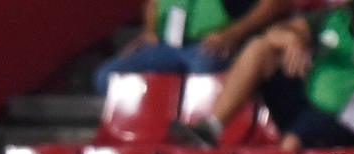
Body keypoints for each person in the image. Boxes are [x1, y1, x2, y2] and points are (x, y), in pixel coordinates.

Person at [170, 0, 354, 150]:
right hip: (307, 102)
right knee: (261, 46)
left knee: (296, 140)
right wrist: (291, 40)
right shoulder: (332, 19)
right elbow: (279, 32)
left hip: (352, 118)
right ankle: (212, 128)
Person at [94, 0, 292, 95]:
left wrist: (233, 33)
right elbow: (153, 3)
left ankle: (195, 133)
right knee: (107, 76)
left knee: (203, 72)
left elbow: (276, 5)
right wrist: (149, 30)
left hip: (211, 44)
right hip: (165, 45)